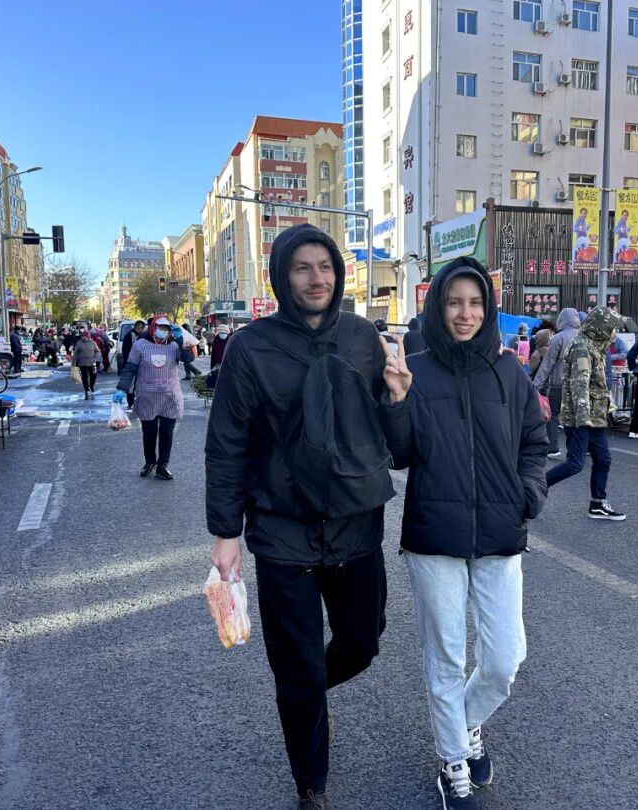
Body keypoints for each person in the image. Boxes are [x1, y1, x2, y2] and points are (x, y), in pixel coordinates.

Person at [205, 223, 410, 809]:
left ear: (338, 274)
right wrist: (225, 533)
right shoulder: (251, 347)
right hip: (282, 531)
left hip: (355, 526)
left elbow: (395, 447)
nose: (316, 279)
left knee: (362, 643)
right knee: (294, 667)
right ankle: (310, 784)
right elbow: (227, 444)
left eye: (325, 267)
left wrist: (399, 398)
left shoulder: (363, 338)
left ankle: (308, 697)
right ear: (282, 276)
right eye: (302, 268)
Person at [389, 256, 546, 809]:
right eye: (454, 302)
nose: (465, 313)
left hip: (501, 531)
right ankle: (454, 759)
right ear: (438, 306)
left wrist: (529, 494)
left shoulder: (508, 371)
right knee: (447, 658)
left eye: (475, 302)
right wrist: (398, 400)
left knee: (505, 660)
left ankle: (464, 723)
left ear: (488, 308)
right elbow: (398, 454)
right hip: (434, 534)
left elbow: (534, 442)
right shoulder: (415, 369)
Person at [547, 306, 626, 521]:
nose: (613, 333)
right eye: (611, 328)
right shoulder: (582, 347)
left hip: (595, 417)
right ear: (600, 326)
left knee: (603, 459)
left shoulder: (595, 345)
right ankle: (533, 488)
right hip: (582, 418)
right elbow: (579, 384)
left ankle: (598, 504)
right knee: (575, 464)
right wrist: (583, 419)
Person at [115, 315, 184, 480]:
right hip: (147, 397)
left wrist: (181, 340)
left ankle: (162, 466)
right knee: (149, 433)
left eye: (166, 328)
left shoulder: (174, 346)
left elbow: (188, 359)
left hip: (170, 397)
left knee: (167, 434)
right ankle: (150, 461)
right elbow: (130, 369)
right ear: (153, 328)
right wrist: (122, 389)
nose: (163, 331)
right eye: (160, 328)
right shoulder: (140, 346)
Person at [532, 308, 581, 459]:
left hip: (558, 384)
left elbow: (547, 364)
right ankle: (577, 449)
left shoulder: (558, 338)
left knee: (553, 415)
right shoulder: (584, 338)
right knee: (575, 417)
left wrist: (535, 386)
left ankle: (553, 448)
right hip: (580, 385)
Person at [121, 320, 147, 407]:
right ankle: (131, 402)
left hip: (134, 363)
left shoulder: (134, 335)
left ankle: (133, 401)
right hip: (131, 364)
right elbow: (131, 351)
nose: (143, 331)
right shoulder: (131, 336)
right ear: (139, 328)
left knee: (135, 384)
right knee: (131, 385)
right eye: (143, 329)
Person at [73, 329, 100, 399]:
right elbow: (75, 353)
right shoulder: (79, 343)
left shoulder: (93, 343)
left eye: (85, 336)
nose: (84, 337)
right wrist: (74, 362)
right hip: (82, 363)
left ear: (88, 336)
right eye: (83, 336)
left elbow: (97, 351)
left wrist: (95, 358)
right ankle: (86, 389)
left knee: (93, 376)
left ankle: (91, 386)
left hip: (92, 363)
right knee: (84, 377)